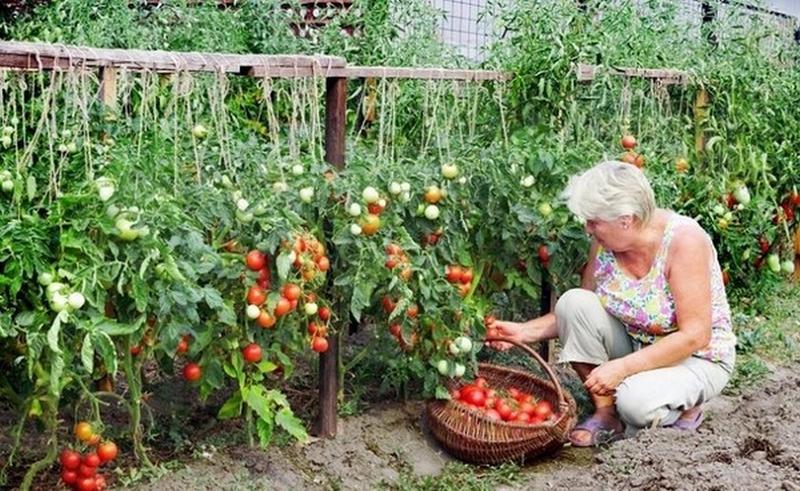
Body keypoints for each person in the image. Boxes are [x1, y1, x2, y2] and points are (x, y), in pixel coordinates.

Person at [488, 161, 736, 447]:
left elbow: (695, 335)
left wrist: (621, 369)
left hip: (696, 357)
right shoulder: (605, 243)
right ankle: (606, 413)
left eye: (593, 222)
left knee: (634, 403)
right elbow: (580, 312)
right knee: (573, 302)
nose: (587, 229)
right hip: (638, 343)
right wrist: (523, 332)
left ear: (625, 220)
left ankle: (684, 407)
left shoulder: (684, 242)